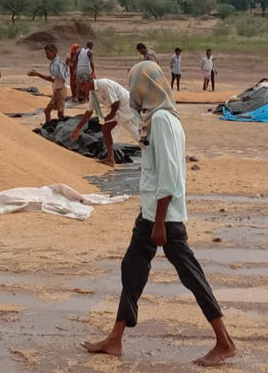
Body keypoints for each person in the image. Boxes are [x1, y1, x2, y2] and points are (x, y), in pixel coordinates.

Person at [81, 61, 236, 366]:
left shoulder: (163, 120)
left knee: (191, 276)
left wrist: (160, 224)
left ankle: (224, 341)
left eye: (134, 84)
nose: (132, 92)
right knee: (132, 269)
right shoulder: (157, 118)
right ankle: (115, 338)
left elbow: (169, 175)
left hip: (164, 217)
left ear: (145, 87)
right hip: (152, 212)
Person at [71, 72, 140, 167]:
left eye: (81, 86)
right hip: (118, 111)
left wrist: (110, 115)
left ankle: (152, 154)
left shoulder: (103, 84)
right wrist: (78, 129)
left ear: (86, 83)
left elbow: (116, 102)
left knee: (136, 133)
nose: (81, 89)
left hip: (127, 108)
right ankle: (110, 159)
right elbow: (89, 112)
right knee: (106, 129)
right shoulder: (93, 93)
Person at [28, 44, 69, 124]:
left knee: (60, 113)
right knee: (48, 111)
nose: (46, 56)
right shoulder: (59, 61)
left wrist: (37, 74)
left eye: (47, 53)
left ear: (53, 52)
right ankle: (49, 126)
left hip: (60, 89)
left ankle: (60, 129)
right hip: (58, 89)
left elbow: (52, 79)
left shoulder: (56, 64)